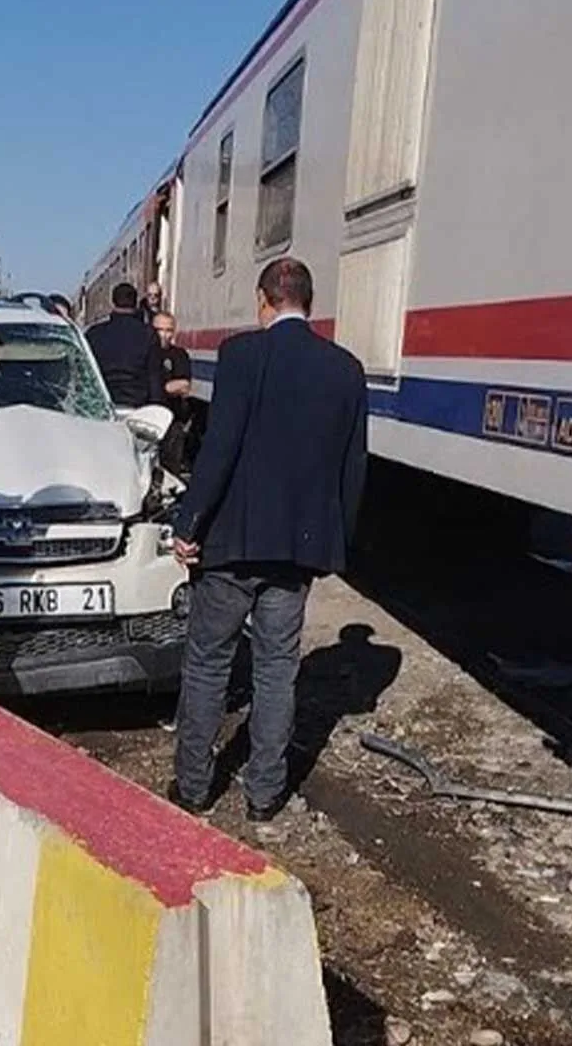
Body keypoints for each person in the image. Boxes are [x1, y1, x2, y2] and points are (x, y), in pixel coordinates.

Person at [169, 257, 367, 821]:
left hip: (232, 542)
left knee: (208, 662)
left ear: (264, 300)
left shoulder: (242, 355)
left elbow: (220, 448)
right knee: (279, 669)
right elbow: (354, 466)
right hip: (297, 550)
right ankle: (264, 795)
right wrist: (337, 543)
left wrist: (189, 525)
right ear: (308, 300)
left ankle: (193, 786)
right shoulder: (346, 370)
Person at [85, 282, 163, 408]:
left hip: (103, 403)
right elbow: (154, 378)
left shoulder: (94, 334)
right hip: (137, 404)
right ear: (135, 302)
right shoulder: (149, 334)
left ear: (113, 301)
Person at [153, 311, 192, 476]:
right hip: (149, 419)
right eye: (160, 329)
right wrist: (168, 387)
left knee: (171, 469)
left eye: (169, 330)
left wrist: (158, 387)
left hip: (173, 420)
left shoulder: (179, 355)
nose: (164, 335)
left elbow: (184, 385)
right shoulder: (146, 354)